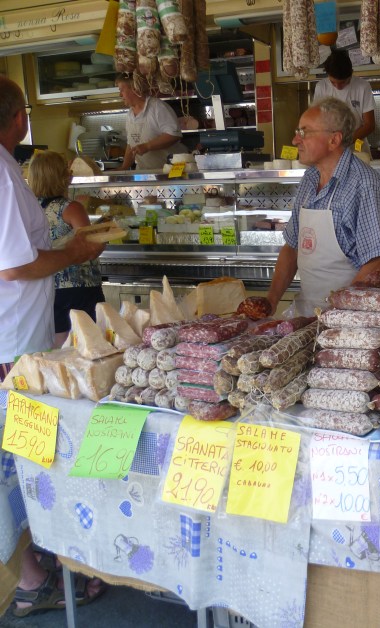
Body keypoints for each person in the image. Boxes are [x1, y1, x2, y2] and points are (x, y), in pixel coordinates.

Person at [0, 76, 107, 617]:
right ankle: (35, 576)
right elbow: (14, 265)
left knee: (23, 453)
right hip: (13, 344)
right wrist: (73, 254)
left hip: (17, 338)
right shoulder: (2, 173)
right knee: (21, 455)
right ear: (20, 118)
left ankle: (39, 556)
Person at [266, 97, 380, 317]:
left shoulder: (363, 183)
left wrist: (336, 318)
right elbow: (292, 247)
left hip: (347, 322)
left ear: (334, 140)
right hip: (306, 315)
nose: (295, 140)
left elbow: (377, 263)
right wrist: (270, 302)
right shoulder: (310, 178)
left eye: (304, 132)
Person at [29, 150, 106, 348]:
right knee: (88, 345)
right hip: (79, 287)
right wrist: (104, 236)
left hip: (46, 287)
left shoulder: (29, 208)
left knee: (58, 347)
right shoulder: (71, 208)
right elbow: (89, 248)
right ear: (62, 176)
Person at [115, 75, 187, 171]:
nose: (120, 95)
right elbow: (131, 145)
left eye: (121, 90)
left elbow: (173, 135)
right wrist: (124, 167)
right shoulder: (130, 114)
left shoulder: (157, 107)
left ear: (135, 89)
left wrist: (147, 146)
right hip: (145, 172)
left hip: (171, 171)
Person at [313, 50, 376, 151]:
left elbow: (369, 125)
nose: (338, 87)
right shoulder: (321, 87)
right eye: (333, 82)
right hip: (330, 148)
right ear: (328, 75)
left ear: (351, 73)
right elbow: (317, 121)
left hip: (357, 148)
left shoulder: (363, 87)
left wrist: (344, 142)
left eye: (343, 82)